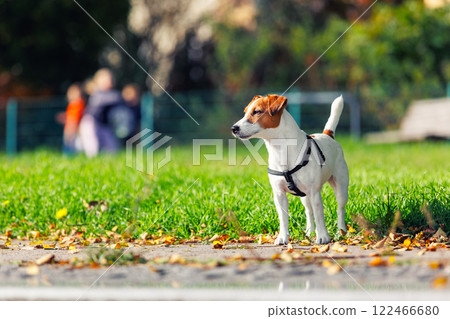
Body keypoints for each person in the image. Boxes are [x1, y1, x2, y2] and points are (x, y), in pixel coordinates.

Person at [79, 68, 125, 157]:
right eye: (106, 80)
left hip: (104, 124)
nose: (110, 82)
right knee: (92, 147)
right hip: (90, 122)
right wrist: (122, 97)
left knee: (113, 148)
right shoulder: (97, 93)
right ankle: (91, 164)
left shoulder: (111, 93)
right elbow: (111, 99)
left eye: (111, 79)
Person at [57, 83, 85, 154]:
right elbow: (71, 116)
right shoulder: (72, 105)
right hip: (69, 128)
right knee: (68, 145)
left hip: (74, 129)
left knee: (74, 146)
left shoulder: (78, 104)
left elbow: (75, 119)